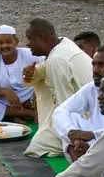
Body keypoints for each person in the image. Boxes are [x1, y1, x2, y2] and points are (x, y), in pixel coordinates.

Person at [22, 18, 93, 158]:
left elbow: (66, 104)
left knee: (37, 146)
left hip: (87, 118)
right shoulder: (63, 44)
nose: (27, 43)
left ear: (41, 37)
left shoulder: (57, 60)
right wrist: (32, 73)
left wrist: (72, 135)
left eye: (30, 39)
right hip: (88, 111)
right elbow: (43, 69)